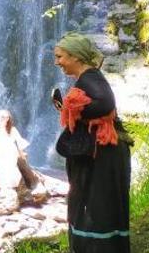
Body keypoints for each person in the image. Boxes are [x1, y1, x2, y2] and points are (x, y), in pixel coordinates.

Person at [53, 32, 131, 253]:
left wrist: (72, 109)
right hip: (102, 154)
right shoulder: (89, 79)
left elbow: (106, 102)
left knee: (97, 206)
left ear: (76, 57)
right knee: (99, 205)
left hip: (103, 155)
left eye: (60, 56)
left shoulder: (91, 78)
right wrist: (71, 108)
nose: (57, 62)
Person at [0, 109, 32, 192]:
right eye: (3, 117)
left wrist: (21, 153)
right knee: (2, 170)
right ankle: (4, 189)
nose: (5, 119)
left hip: (11, 152)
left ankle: (10, 189)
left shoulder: (12, 129)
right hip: (0, 152)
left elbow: (19, 141)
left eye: (7, 117)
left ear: (8, 118)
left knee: (11, 170)